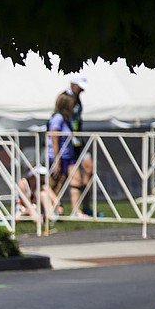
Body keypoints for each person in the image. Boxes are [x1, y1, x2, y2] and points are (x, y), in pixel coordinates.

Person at [64, 72, 95, 217]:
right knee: (74, 177)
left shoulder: (78, 99)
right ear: (73, 85)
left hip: (79, 140)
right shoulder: (66, 98)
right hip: (70, 143)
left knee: (89, 169)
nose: (82, 90)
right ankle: (75, 210)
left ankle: (86, 205)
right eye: (80, 87)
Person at [46, 92, 76, 212]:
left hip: (66, 156)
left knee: (61, 183)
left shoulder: (66, 119)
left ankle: (54, 208)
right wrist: (57, 160)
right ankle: (49, 208)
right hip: (57, 156)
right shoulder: (58, 119)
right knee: (52, 183)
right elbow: (54, 139)